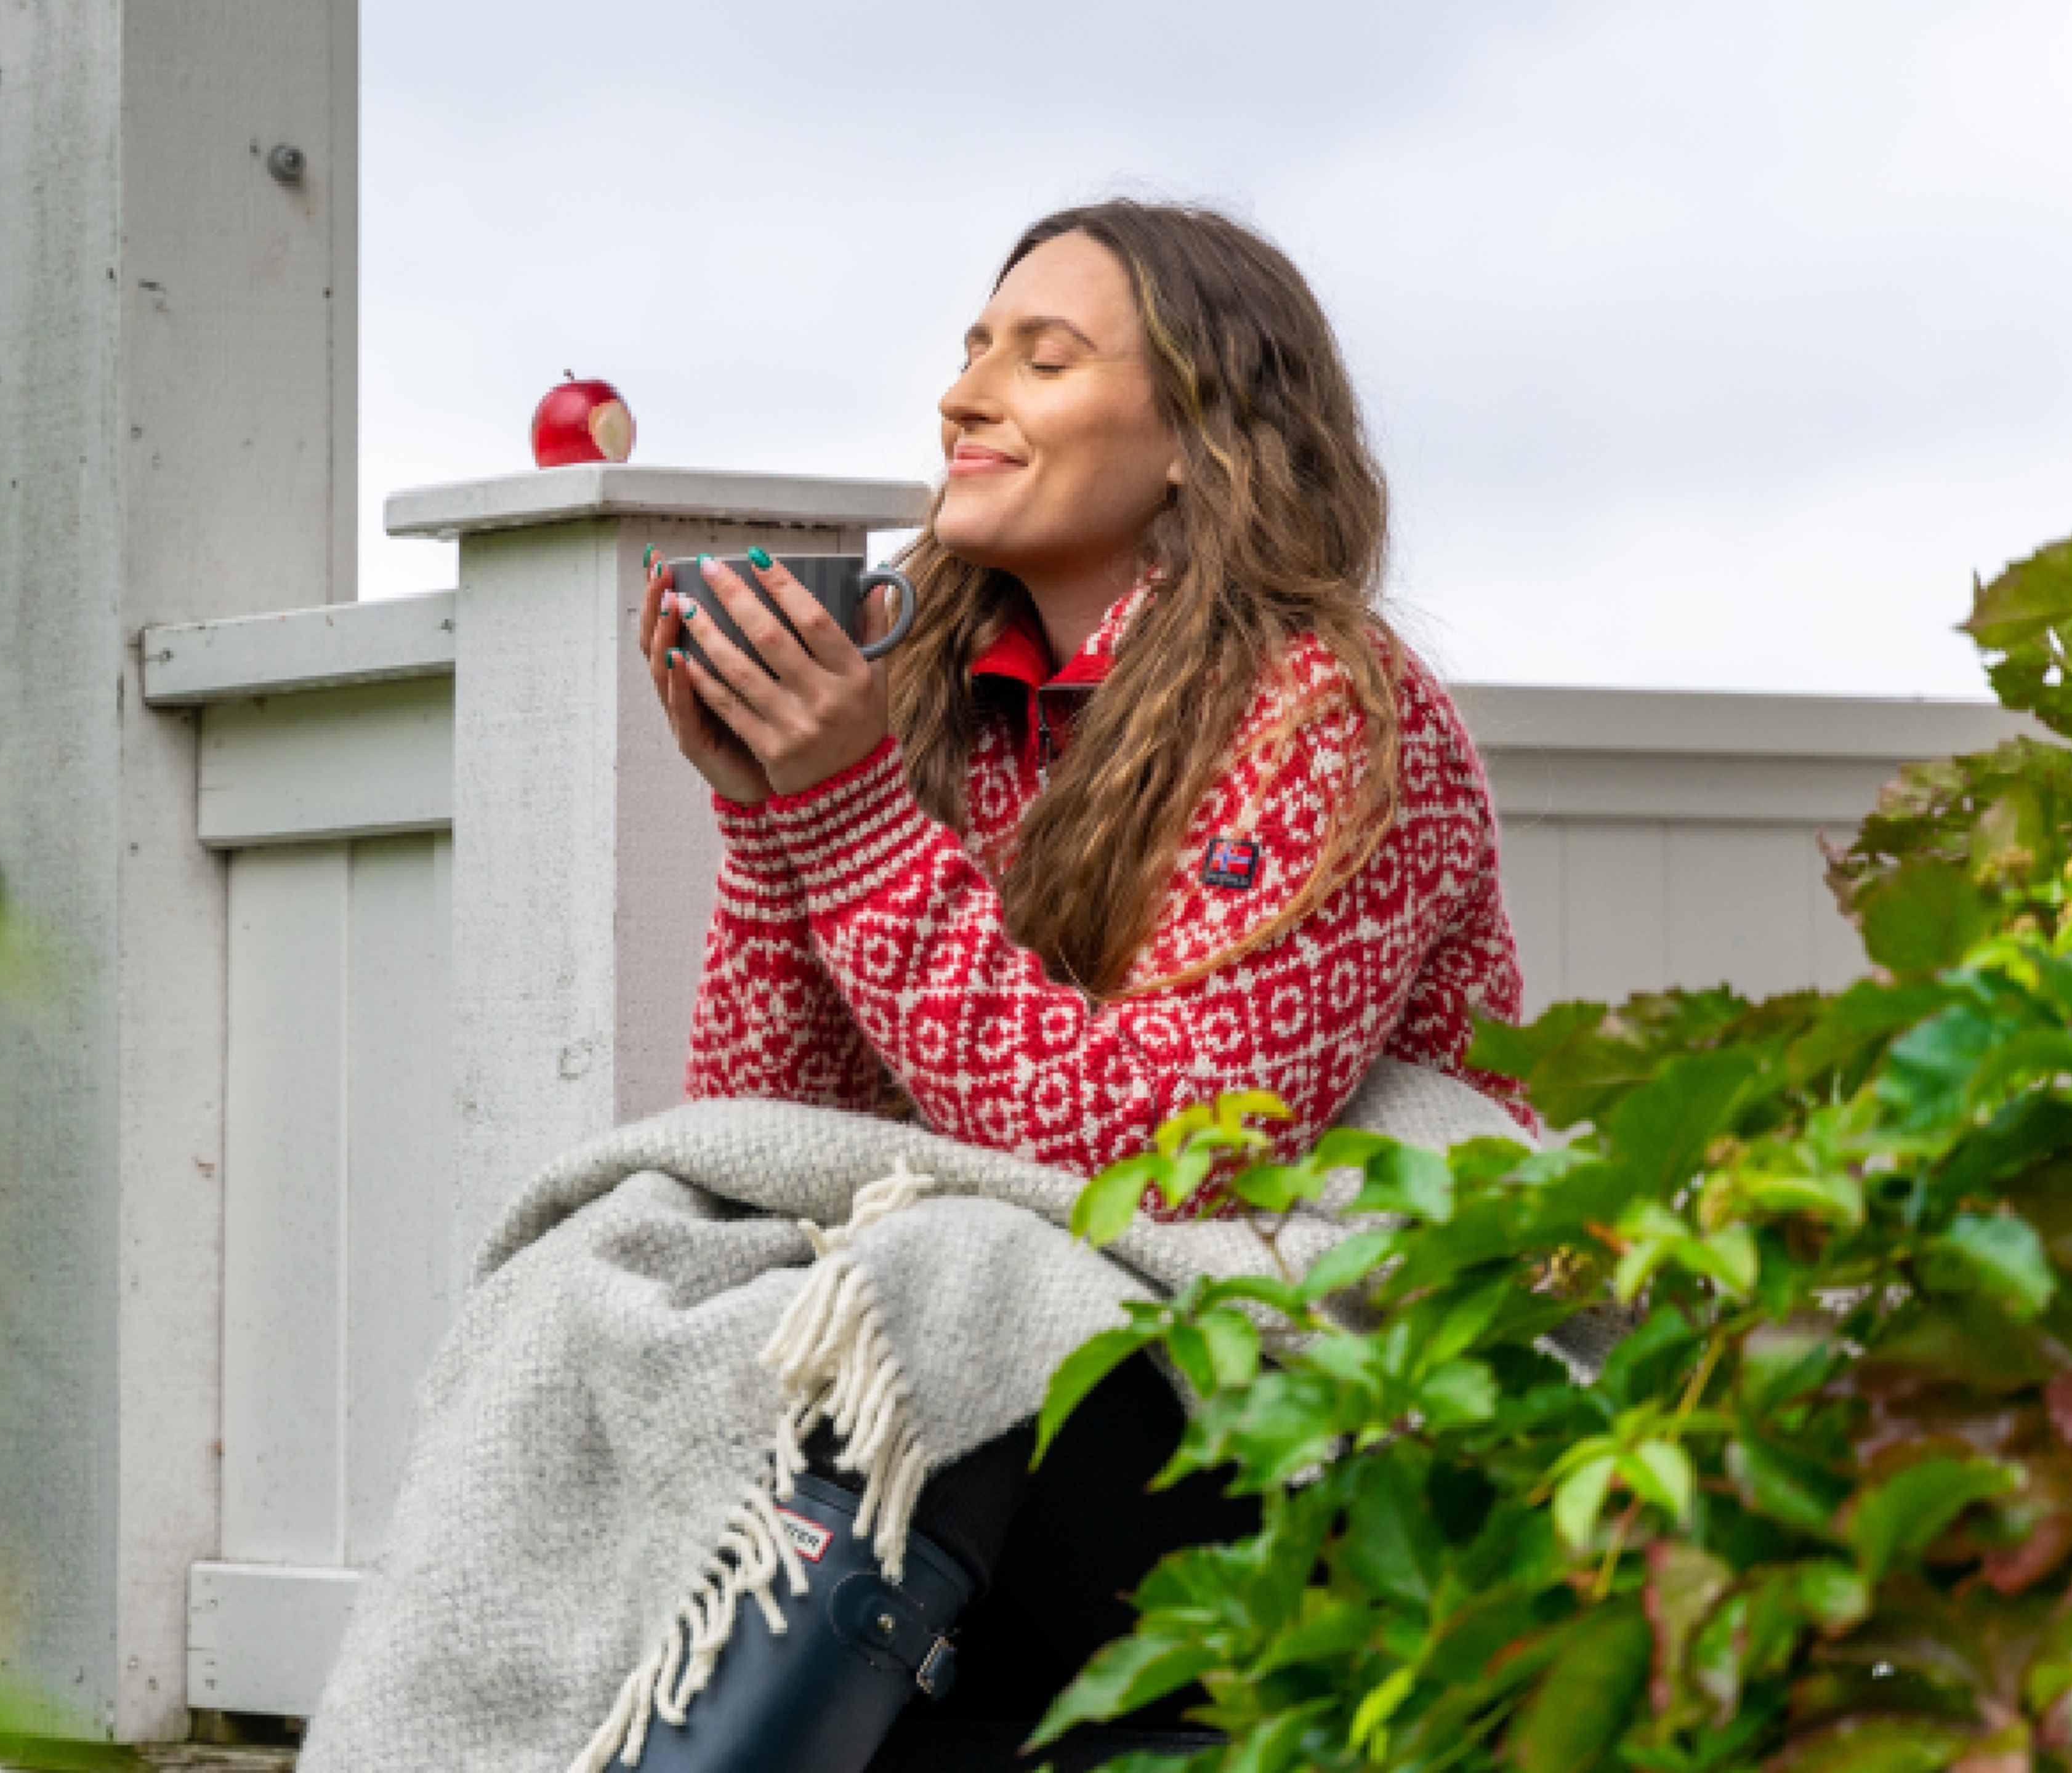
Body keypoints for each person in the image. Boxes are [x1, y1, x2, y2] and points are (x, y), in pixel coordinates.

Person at [627, 200, 1526, 1769]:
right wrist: (768, 804)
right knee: (655, 1279)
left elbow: (1166, 1144)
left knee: (957, 1294)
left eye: (1043, 360)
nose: (964, 396)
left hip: (1327, 1410)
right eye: (973, 350)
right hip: (1058, 1472)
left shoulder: (1338, 714)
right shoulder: (939, 704)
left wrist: (838, 814)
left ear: (1202, 437)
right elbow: (779, 1129)